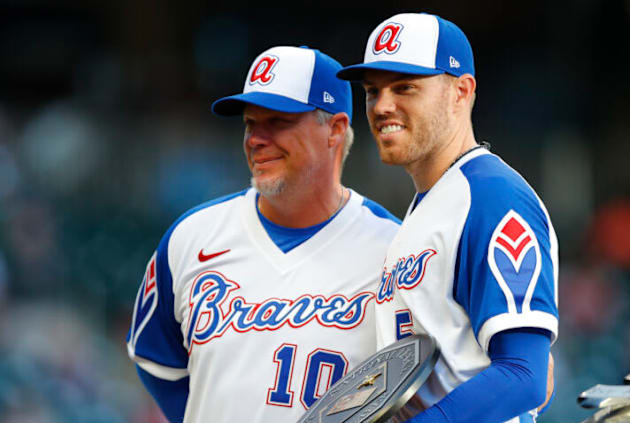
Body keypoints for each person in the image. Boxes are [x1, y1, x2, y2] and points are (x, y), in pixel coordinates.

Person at [126, 46, 400, 423]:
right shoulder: (190, 238)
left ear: (335, 130)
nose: (256, 139)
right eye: (250, 123)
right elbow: (159, 363)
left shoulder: (395, 251)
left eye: (277, 121)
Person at [337, 13, 559, 423]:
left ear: (461, 91)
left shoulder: (492, 196)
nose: (382, 106)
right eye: (372, 91)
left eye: (405, 87)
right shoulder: (430, 205)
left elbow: (524, 375)